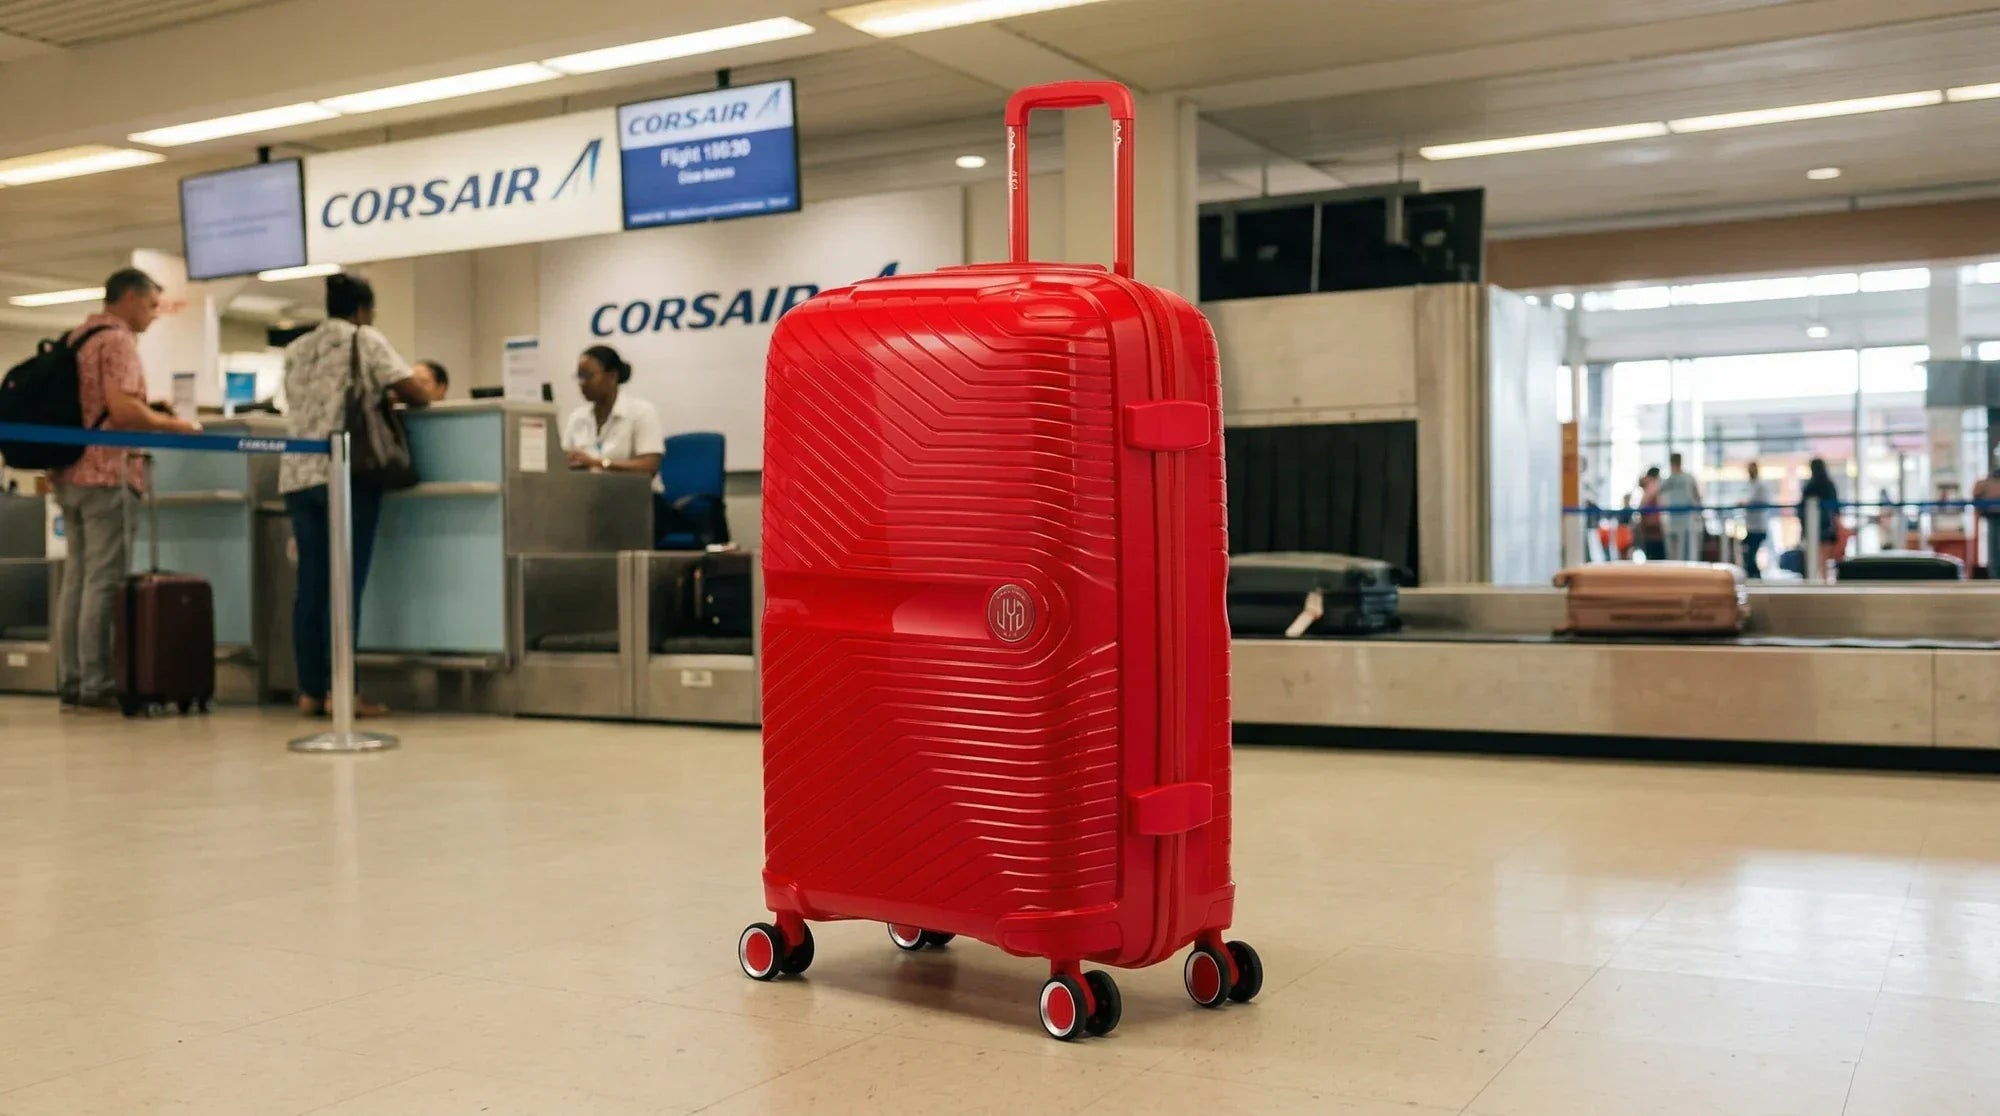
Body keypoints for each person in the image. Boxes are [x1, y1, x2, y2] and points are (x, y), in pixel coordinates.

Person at [281, 273, 431, 717]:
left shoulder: (296, 349)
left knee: (311, 587)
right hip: (344, 474)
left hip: (295, 476)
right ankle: (343, 692)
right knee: (345, 586)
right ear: (363, 309)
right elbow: (416, 392)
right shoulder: (363, 339)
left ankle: (310, 691)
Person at [51, 269, 201, 711]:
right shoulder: (117, 340)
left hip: (70, 471)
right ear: (131, 298)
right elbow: (121, 411)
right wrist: (176, 424)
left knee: (77, 579)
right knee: (102, 580)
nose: (154, 315)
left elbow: (99, 404)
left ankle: (73, 679)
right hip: (107, 474)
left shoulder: (79, 336)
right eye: (152, 305)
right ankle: (97, 682)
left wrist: (143, 407)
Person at [562, 345, 663, 481]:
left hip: (638, 496)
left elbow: (649, 467)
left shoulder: (641, 412)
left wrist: (598, 463)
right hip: (592, 495)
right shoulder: (577, 417)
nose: (582, 383)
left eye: (588, 376)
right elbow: (562, 462)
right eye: (580, 376)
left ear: (612, 376)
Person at [1657, 453, 1703, 562]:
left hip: (1683, 520)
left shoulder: (1673, 480)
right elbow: (1697, 496)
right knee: (1680, 553)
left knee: (1681, 553)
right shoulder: (1671, 480)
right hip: (1677, 520)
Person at [1799, 456, 1841, 557]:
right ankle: (1823, 573)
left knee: (1815, 557)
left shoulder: (1809, 487)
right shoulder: (1829, 485)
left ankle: (1818, 573)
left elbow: (1802, 509)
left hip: (1812, 526)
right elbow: (1835, 508)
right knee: (1824, 556)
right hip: (1827, 526)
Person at [1741, 461, 1772, 579]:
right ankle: (1753, 574)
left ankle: (1755, 575)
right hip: (1751, 524)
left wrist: (1746, 503)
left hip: (1759, 525)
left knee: (1751, 552)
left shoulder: (1761, 485)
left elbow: (1757, 501)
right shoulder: (1751, 484)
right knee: (1748, 551)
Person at [1973, 464, 2000, 578]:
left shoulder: (1985, 483)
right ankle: (1994, 577)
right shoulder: (1984, 483)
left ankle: (1994, 576)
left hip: (1991, 517)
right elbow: (1976, 496)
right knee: (1993, 549)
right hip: (1992, 517)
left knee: (1993, 549)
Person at [1636, 467, 1666, 561]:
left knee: (1651, 553)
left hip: (1648, 525)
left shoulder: (1647, 486)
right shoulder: (1653, 486)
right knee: (1656, 555)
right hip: (1654, 525)